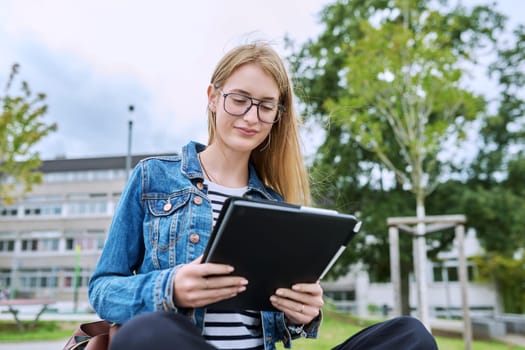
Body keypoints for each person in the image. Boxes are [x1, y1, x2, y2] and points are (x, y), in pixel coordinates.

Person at [88, 42, 438, 350]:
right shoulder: (154, 177)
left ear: (276, 116)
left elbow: (277, 318)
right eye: (239, 100)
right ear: (213, 97)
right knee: (148, 333)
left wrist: (304, 314)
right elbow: (102, 290)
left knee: (410, 335)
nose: (251, 117)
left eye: (266, 106)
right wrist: (170, 288)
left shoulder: (275, 206)